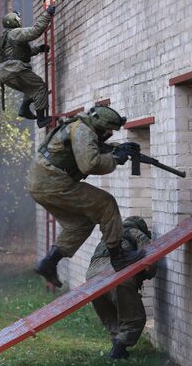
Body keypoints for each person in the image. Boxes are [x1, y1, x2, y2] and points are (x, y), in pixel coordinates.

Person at [30, 106, 145, 287]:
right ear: (99, 126)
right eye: (109, 131)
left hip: (41, 183)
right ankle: (119, 257)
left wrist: (118, 148)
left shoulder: (80, 126)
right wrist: (115, 158)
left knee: (81, 224)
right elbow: (89, 164)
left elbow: (91, 149)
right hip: (52, 183)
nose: (109, 135)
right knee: (106, 204)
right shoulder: (83, 131)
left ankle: (49, 262)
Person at [86, 216, 157, 360]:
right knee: (135, 317)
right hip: (118, 275)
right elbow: (150, 261)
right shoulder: (137, 234)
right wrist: (148, 274)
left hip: (92, 278)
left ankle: (118, 347)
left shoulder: (110, 234)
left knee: (110, 315)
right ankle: (118, 350)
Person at [0, 5, 55, 128]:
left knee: (30, 88)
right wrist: (47, 14)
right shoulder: (15, 33)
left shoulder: (3, 38)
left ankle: (24, 109)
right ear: (15, 22)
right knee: (39, 87)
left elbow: (17, 54)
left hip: (5, 75)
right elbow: (35, 31)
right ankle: (41, 119)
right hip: (15, 70)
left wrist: (38, 49)